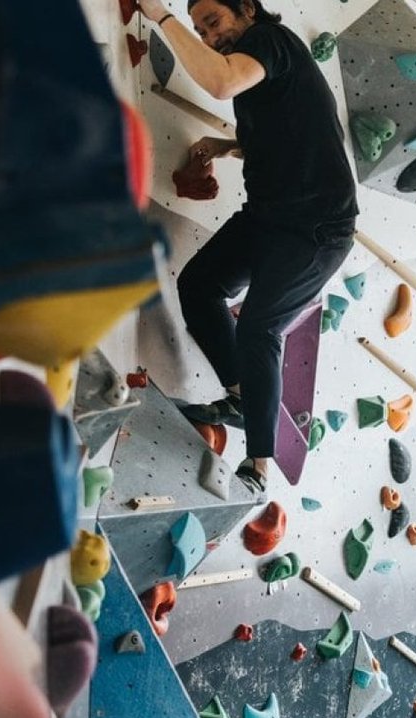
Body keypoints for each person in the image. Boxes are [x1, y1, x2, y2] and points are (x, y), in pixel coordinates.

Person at [138, 0, 359, 495]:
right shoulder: (265, 69)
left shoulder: (270, 41)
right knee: (200, 285)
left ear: (247, 10)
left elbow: (221, 82)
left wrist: (161, 16)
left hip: (317, 228)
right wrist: (226, 147)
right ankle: (241, 396)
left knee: (261, 327)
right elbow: (288, 133)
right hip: (268, 215)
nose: (210, 37)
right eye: (200, 29)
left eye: (213, 22)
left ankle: (259, 468)